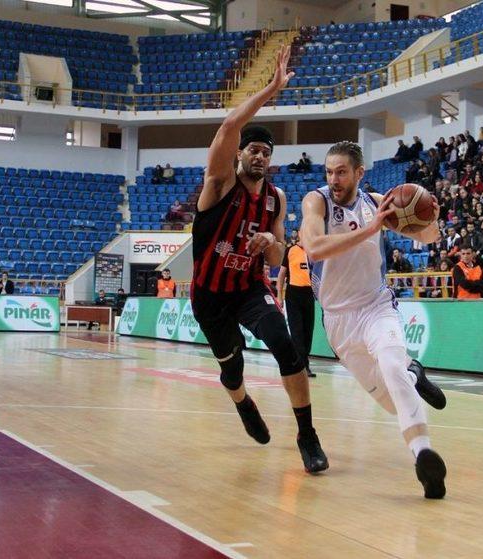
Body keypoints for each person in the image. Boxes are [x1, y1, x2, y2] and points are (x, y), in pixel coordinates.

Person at [189, 46, 327, 474]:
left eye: (266, 152)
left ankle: (307, 435)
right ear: (240, 153)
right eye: (252, 149)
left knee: (288, 349)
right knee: (233, 370)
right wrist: (272, 89)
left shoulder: (275, 199)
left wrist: (270, 238)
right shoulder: (219, 182)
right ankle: (244, 402)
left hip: (249, 288)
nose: (259, 156)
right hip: (210, 295)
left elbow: (277, 255)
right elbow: (230, 123)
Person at [301, 140, 447, 498]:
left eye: (341, 171)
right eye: (329, 171)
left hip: (376, 305)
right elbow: (314, 248)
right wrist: (370, 230)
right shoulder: (316, 201)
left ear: (359, 173)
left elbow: (427, 237)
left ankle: (423, 456)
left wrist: (431, 218)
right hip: (338, 319)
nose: (334, 178)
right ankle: (415, 373)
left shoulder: (378, 204)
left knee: (391, 364)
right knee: (389, 399)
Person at [277, 234, 317, 378]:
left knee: (308, 332)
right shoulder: (290, 250)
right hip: (293, 294)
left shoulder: (313, 252)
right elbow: (281, 274)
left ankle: (305, 365)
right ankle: (301, 367)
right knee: (297, 332)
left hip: (308, 295)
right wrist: (279, 296)